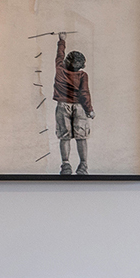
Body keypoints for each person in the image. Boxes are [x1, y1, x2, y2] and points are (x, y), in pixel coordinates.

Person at [54, 34, 94, 176]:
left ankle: (65, 165)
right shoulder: (83, 76)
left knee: (64, 137)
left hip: (62, 106)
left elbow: (59, 55)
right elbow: (84, 94)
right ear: (81, 65)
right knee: (81, 137)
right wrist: (90, 110)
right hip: (79, 107)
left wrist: (62, 40)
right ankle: (83, 166)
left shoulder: (60, 69)